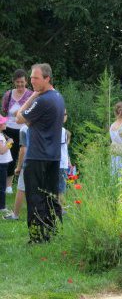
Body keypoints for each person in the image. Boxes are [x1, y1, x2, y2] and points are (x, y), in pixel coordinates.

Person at [16, 63, 65, 243]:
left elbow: (19, 117)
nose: (32, 81)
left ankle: (37, 238)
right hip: (53, 156)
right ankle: (53, 231)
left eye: (36, 78)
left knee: (35, 197)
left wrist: (32, 97)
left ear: (47, 78)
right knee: (51, 196)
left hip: (37, 156)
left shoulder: (42, 99)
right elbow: (32, 122)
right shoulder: (58, 97)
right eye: (31, 77)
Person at [1, 69, 33, 194]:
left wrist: (20, 114)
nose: (20, 85)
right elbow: (3, 112)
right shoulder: (8, 94)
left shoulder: (31, 95)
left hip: (24, 130)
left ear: (26, 81)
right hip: (9, 130)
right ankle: (8, 185)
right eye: (17, 82)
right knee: (8, 157)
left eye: (22, 82)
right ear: (14, 81)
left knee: (24, 157)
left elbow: (33, 113)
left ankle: (24, 185)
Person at [3, 125, 28, 220]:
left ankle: (15, 214)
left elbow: (23, 149)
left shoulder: (24, 128)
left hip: (28, 161)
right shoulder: (42, 125)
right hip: (43, 160)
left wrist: (19, 167)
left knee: (21, 188)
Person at [0, 115, 13, 213]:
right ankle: (2, 207)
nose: (6, 124)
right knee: (2, 186)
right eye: (4, 122)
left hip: (3, 164)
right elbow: (2, 151)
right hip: (2, 164)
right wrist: (9, 143)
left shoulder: (2, 135)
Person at [58, 110, 71, 211]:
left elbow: (64, 149)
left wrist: (69, 161)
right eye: (65, 114)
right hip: (61, 163)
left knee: (58, 185)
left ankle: (58, 206)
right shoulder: (61, 130)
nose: (66, 116)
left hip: (60, 162)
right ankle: (60, 208)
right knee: (61, 188)